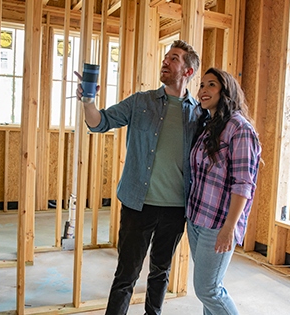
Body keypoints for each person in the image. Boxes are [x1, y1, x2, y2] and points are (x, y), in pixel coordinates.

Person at [75, 40, 201, 315]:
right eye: (166, 57)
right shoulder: (141, 102)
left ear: (188, 72)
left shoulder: (199, 113)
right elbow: (100, 123)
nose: (166, 62)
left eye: (175, 59)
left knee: (160, 272)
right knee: (126, 274)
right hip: (137, 204)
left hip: (176, 208)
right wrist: (88, 101)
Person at [186, 68, 262, 315]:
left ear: (225, 91)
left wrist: (230, 227)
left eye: (211, 85)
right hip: (197, 219)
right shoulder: (209, 126)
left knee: (208, 290)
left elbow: (244, 184)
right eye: (202, 85)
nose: (203, 90)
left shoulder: (240, 129)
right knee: (210, 290)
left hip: (218, 224)